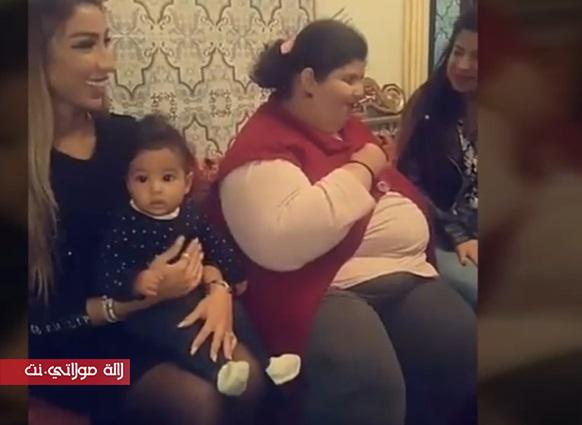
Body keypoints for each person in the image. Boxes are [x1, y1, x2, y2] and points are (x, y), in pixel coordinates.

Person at [214, 19, 476, 425]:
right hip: (322, 286)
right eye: (349, 79)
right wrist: (365, 166)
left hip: (401, 272)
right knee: (366, 384)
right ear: (308, 81)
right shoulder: (263, 148)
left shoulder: (345, 128)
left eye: (361, 78)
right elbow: (283, 239)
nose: (361, 92)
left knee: (462, 347)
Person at [28, 1, 267, 424]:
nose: (108, 63)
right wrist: (139, 299)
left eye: (107, 41)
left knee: (247, 377)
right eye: (85, 45)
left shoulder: (127, 138)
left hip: (146, 324)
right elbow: (37, 322)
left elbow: (186, 228)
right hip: (45, 359)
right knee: (197, 403)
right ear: (35, 56)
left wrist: (217, 290)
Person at [95, 114, 300, 397]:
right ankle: (219, 371)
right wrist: (137, 280)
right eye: (142, 179)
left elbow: (213, 243)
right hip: (152, 309)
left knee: (238, 314)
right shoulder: (126, 223)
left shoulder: (190, 212)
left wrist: (234, 274)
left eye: (167, 178)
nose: (156, 189)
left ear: (187, 181)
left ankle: (269, 362)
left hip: (197, 292)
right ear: (128, 183)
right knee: (182, 329)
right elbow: (108, 268)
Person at [397, 10, 478, 308]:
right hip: (441, 234)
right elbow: (408, 184)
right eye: (458, 52)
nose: (462, 65)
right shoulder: (428, 105)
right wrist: (459, 236)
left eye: (477, 57)